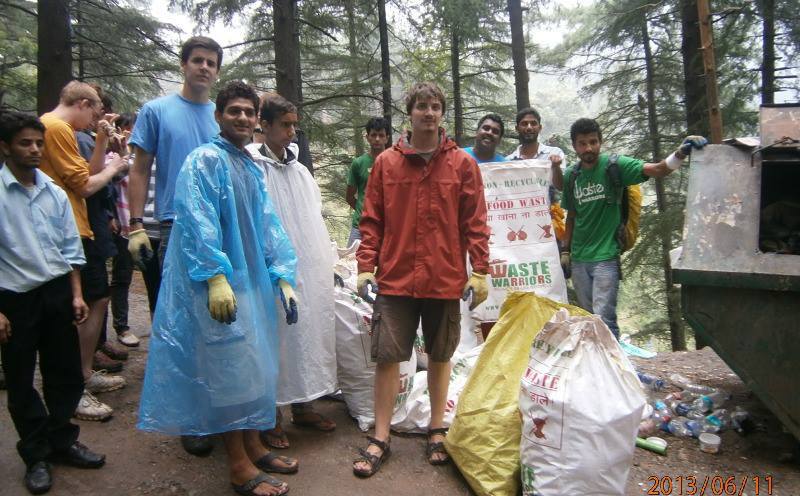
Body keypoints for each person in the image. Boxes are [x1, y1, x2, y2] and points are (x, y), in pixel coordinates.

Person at [138, 81, 300, 496]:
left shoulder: (247, 165)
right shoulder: (203, 161)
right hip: (219, 285)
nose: (243, 118)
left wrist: (282, 272)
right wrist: (214, 276)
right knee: (230, 372)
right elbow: (196, 224)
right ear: (219, 116)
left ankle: (253, 443)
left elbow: (267, 223)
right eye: (235, 111)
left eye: (249, 112)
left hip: (249, 281)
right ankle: (238, 465)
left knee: (253, 367)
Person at [353, 82, 490, 476]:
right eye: (422, 106)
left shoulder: (462, 164)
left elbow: (475, 222)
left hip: (444, 277)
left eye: (435, 107)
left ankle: (436, 428)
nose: (429, 113)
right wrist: (366, 264)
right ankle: (381, 436)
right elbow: (372, 219)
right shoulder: (386, 164)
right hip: (395, 279)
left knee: (441, 355)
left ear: (442, 114)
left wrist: (479, 270)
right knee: (387, 357)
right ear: (409, 113)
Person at [0, 111, 106, 495]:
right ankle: (35, 452)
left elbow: (69, 248)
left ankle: (62, 439)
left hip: (58, 292)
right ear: (5, 147)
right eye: (25, 143)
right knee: (21, 377)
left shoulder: (54, 192)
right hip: (15, 299)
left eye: (38, 143)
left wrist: (77, 294)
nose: (33, 150)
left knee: (63, 371)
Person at [127, 35, 223, 456]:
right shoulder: (156, 111)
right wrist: (134, 225)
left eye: (211, 63)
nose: (204, 68)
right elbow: (140, 169)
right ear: (183, 65)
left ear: (217, 70)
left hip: (221, 230)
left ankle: (219, 405)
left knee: (219, 323)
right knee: (181, 325)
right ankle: (191, 418)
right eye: (197, 60)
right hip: (175, 225)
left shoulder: (222, 117)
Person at [561, 117, 706, 338]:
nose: (588, 148)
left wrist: (680, 153)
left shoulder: (615, 166)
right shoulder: (572, 175)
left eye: (593, 142)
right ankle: (596, 369)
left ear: (601, 141)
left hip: (606, 257)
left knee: (604, 318)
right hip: (580, 259)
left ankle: (615, 369)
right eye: (582, 143)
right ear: (575, 146)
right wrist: (565, 251)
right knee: (588, 319)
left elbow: (658, 169)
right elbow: (571, 216)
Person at [247, 93, 337, 450]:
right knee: (275, 339)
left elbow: (311, 218)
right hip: (270, 269)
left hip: (306, 267)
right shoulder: (254, 168)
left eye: (294, 125)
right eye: (284, 125)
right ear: (264, 125)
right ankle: (271, 416)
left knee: (306, 333)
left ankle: (303, 406)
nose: (291, 132)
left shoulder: (299, 171)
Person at [38, 81, 129, 422]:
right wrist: (115, 167)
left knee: (96, 298)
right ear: (82, 103)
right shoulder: (57, 127)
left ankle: (84, 374)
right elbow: (87, 184)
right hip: (69, 230)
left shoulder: (58, 128)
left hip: (77, 228)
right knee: (84, 306)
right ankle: (75, 387)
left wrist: (104, 141)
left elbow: (84, 173)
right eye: (94, 111)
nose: (96, 118)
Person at [345, 117, 390, 246]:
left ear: (387, 138)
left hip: (385, 226)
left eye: (381, 135)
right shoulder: (358, 163)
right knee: (350, 262)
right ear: (367, 137)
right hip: (359, 225)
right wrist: (363, 210)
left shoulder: (393, 163)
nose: (377, 139)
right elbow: (349, 196)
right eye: (373, 135)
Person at [506, 107, 565, 189]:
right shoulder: (508, 162)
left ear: (540, 128)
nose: (529, 127)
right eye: (524, 124)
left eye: (533, 123)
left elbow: (561, 187)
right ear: (517, 129)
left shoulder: (555, 153)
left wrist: (556, 167)